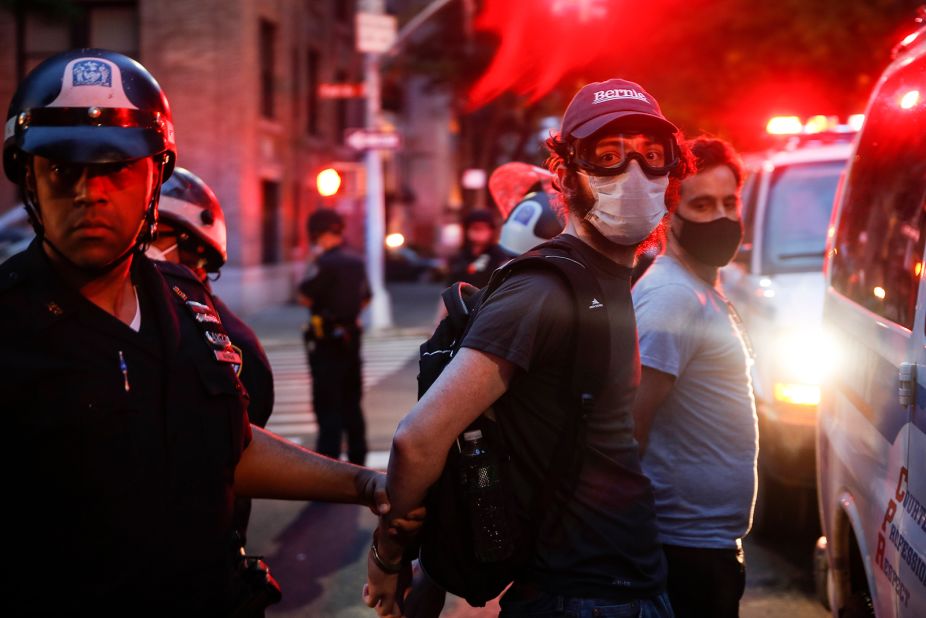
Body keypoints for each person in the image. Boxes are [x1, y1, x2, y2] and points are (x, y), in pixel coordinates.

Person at [0, 49, 402, 615]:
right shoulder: (10, 321)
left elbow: (223, 444)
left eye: (115, 167)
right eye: (63, 169)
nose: (90, 193)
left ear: (155, 176)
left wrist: (364, 486)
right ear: (29, 178)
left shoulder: (186, 301)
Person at [364, 78, 692, 618]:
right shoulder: (543, 289)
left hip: (621, 583)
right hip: (581, 596)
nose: (634, 173)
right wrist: (390, 554)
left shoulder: (609, 274)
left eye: (651, 156)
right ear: (566, 177)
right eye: (607, 156)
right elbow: (418, 439)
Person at [631, 137, 757, 618]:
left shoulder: (697, 289)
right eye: (701, 205)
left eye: (730, 202)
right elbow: (630, 428)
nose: (721, 218)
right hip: (683, 551)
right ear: (668, 214)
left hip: (706, 546)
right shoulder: (671, 298)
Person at [147, 166, 275, 545]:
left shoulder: (230, 342)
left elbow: (237, 453)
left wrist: (359, 484)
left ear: (195, 246)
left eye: (154, 235)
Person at [298, 208, 371, 465]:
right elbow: (366, 297)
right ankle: (358, 458)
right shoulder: (356, 261)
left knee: (327, 403)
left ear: (318, 235)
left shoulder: (323, 263)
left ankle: (328, 461)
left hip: (327, 341)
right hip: (352, 338)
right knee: (352, 401)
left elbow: (304, 295)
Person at [445, 209, 509, 287]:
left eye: (482, 228)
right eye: (474, 228)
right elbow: (448, 287)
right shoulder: (460, 257)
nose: (478, 232)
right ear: (467, 230)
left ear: (491, 231)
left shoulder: (499, 258)